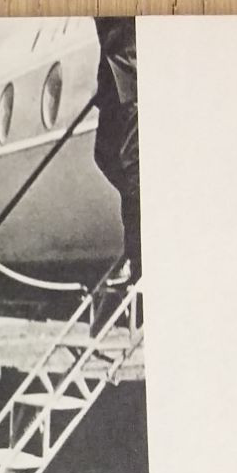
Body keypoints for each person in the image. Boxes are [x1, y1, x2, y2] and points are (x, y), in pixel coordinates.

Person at [93, 17, 140, 281]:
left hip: (132, 76)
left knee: (130, 165)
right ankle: (136, 251)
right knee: (104, 154)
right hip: (114, 78)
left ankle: (138, 254)